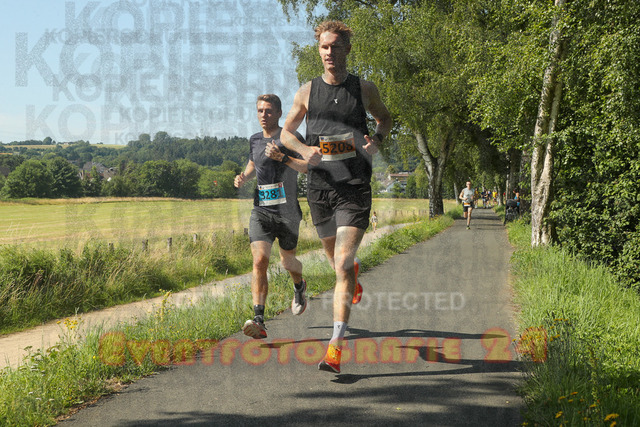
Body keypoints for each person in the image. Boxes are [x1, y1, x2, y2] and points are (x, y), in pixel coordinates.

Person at [280, 20, 392, 373]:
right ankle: (352, 274)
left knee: (341, 265)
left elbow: (384, 118)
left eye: (335, 46)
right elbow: (286, 133)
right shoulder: (306, 92)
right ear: (319, 50)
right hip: (319, 187)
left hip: (354, 185)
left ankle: (335, 347)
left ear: (347, 49)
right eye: (324, 47)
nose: (329, 53)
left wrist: (377, 140)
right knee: (335, 261)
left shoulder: (364, 89)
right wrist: (304, 149)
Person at [234, 94, 308, 339]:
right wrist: (244, 176)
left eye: (268, 111)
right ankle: (259, 319)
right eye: (259, 111)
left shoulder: (291, 138)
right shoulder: (255, 140)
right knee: (259, 261)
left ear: (278, 113)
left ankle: (299, 286)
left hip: (288, 214)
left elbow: (308, 166)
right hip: (261, 211)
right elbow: (253, 164)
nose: (263, 115)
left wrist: (283, 157)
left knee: (288, 263)